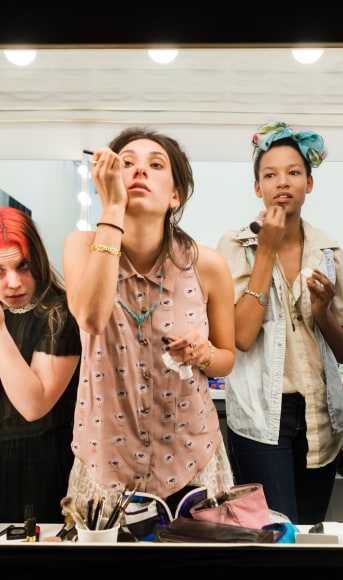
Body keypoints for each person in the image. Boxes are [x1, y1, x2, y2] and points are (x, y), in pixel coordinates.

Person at [61, 127, 237, 520]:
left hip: (192, 460)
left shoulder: (207, 265)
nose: (140, 170)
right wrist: (111, 210)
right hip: (106, 464)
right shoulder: (81, 246)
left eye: (155, 165)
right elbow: (90, 317)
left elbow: (227, 358)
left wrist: (204, 352)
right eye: (127, 163)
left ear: (175, 195)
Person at [216, 121, 343, 525]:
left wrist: (323, 311)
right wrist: (267, 251)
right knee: (275, 537)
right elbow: (241, 336)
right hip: (261, 417)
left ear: (309, 183)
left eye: (294, 172)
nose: (283, 182)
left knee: (309, 533)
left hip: (319, 417)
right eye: (270, 174)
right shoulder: (235, 245)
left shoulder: (329, 250)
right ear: (256, 187)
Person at [0, 206, 81, 524]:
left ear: (37, 258)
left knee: (30, 567)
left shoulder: (60, 314)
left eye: (23, 266)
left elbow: (33, 405)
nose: (14, 283)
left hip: (38, 462)